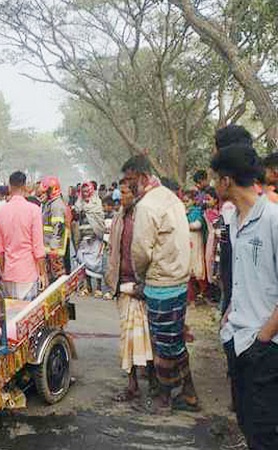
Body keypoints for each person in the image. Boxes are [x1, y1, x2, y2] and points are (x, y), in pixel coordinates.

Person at [213, 142, 278, 449]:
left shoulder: (273, 220)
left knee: (264, 432)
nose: (214, 185)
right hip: (237, 339)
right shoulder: (234, 220)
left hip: (264, 348)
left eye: (216, 178)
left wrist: (264, 336)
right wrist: (228, 318)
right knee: (247, 425)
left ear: (226, 180)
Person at [122, 154, 198, 413]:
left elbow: (141, 251)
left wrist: (140, 279)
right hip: (178, 279)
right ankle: (189, 393)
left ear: (142, 177)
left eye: (130, 181)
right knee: (175, 340)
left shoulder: (147, 206)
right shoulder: (170, 197)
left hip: (161, 283)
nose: (128, 187)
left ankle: (164, 400)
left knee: (163, 345)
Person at [106, 180, 156, 401]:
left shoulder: (143, 218)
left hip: (142, 286)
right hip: (123, 286)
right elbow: (113, 252)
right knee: (128, 338)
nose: (120, 197)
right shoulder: (119, 218)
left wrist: (144, 284)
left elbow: (150, 251)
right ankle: (133, 384)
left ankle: (154, 384)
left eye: (125, 193)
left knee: (148, 338)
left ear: (135, 195)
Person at [0, 171, 47, 301]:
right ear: (25, 187)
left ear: (9, 187)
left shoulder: (0, 212)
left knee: (11, 314)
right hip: (28, 272)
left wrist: (3, 270)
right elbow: (38, 247)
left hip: (9, 273)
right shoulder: (33, 210)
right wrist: (43, 273)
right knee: (26, 315)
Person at [74, 181, 106, 297]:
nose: (86, 193)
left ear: (92, 191)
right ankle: (88, 287)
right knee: (84, 262)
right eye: (83, 191)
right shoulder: (79, 204)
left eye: (88, 191)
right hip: (84, 238)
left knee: (97, 263)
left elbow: (99, 219)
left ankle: (98, 288)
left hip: (95, 238)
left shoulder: (97, 203)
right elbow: (76, 218)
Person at [38, 176, 69, 282]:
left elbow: (58, 226)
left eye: (44, 192)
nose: (42, 195)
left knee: (58, 275)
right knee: (52, 275)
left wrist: (54, 247)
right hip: (50, 246)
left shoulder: (56, 205)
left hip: (54, 248)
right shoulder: (49, 204)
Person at [185, 189, 208, 304]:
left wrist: (185, 224)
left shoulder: (197, 212)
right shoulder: (185, 212)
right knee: (188, 268)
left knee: (197, 267)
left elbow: (198, 225)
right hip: (187, 243)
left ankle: (203, 293)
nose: (185, 203)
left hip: (196, 242)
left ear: (194, 201)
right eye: (184, 201)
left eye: (187, 200)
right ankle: (191, 298)